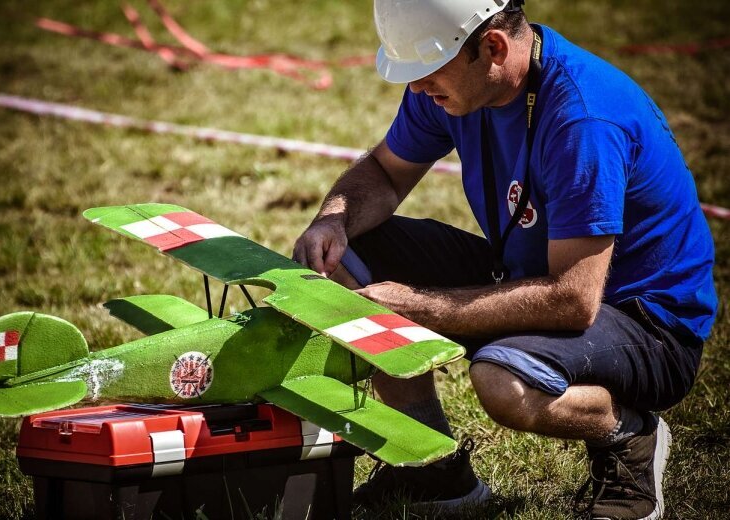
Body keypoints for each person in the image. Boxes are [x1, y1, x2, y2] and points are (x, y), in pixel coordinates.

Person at [293, 0, 717, 518]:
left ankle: (630, 435)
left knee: (503, 382)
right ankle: (434, 470)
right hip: (532, 276)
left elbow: (573, 300)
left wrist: (421, 308)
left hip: (644, 322)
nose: (417, 88)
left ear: (493, 47)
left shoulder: (583, 118)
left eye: (425, 73)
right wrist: (332, 218)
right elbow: (383, 172)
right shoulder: (454, 82)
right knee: (350, 250)